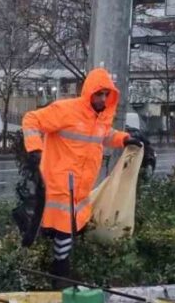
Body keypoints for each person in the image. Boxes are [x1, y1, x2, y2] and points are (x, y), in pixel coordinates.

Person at [22, 67, 143, 277]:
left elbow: (105, 135)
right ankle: (60, 272)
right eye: (99, 94)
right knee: (64, 229)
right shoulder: (66, 110)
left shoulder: (100, 118)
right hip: (60, 181)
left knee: (64, 228)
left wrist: (123, 139)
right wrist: (34, 149)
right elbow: (31, 120)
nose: (102, 99)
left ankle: (52, 269)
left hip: (80, 186)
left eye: (106, 94)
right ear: (89, 92)